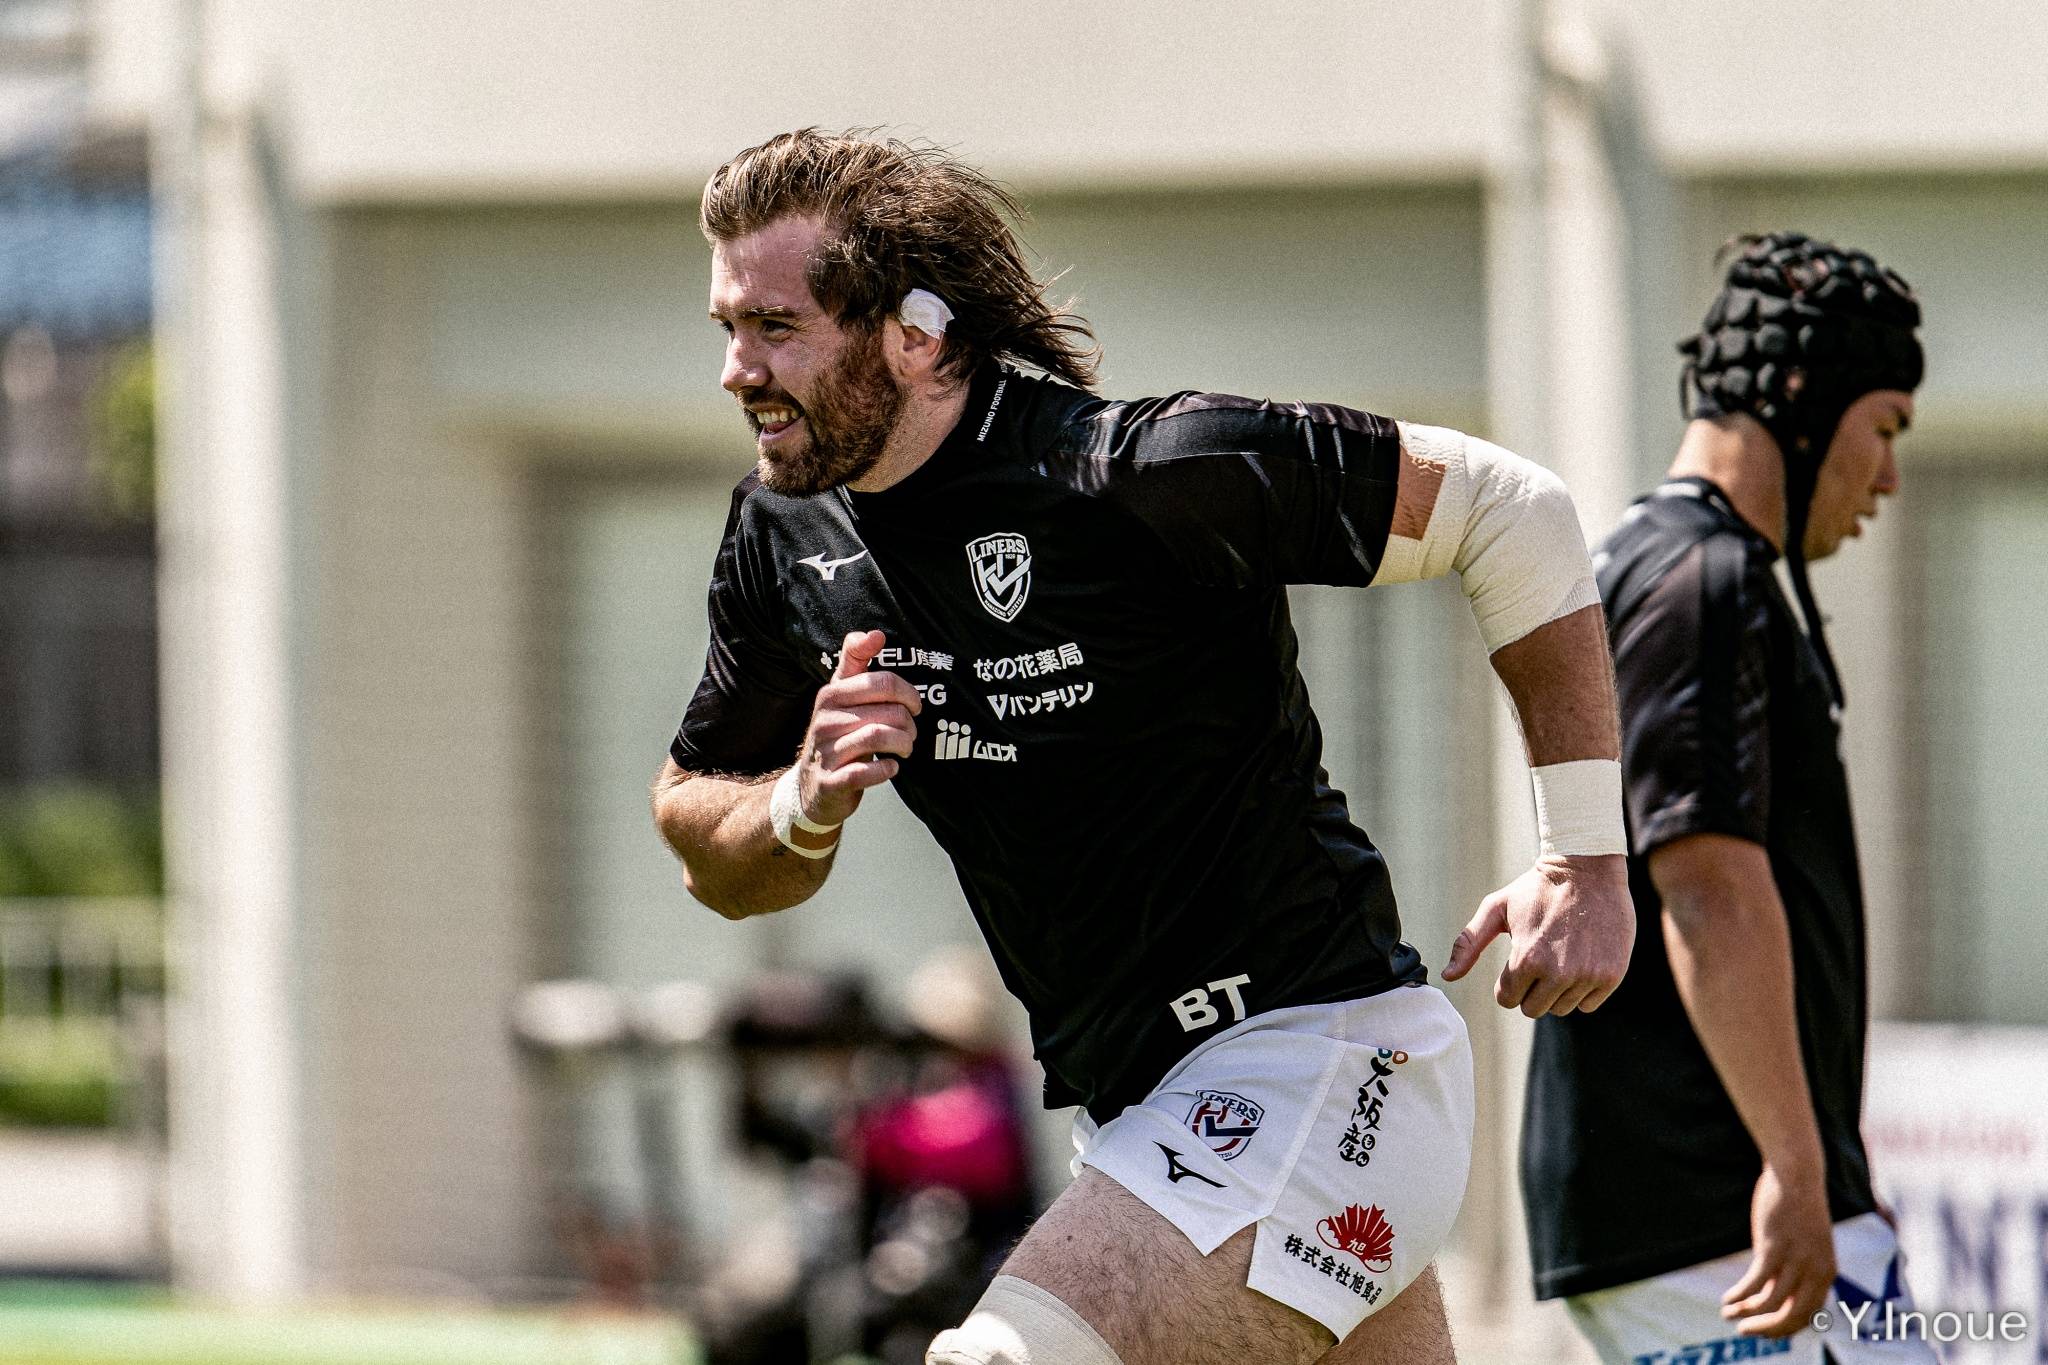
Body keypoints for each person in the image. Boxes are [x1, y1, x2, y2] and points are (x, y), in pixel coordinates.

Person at [652, 128, 1634, 1365]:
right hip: (1139, 1119)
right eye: (726, 327)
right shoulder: (782, 537)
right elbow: (701, 837)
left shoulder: (1137, 471)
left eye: (775, 327)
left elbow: (1513, 511)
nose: (736, 369)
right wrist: (799, 802)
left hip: (1317, 1062)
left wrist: (1583, 861)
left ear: (914, 334)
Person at [1519, 233, 1930, 1365]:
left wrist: (1823, 1168)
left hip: (1694, 1195)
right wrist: (1794, 1169)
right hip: (1710, 1204)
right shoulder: (1702, 581)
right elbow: (1707, 890)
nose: (1888, 479)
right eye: (1885, 429)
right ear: (1801, 399)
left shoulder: (1642, 562)